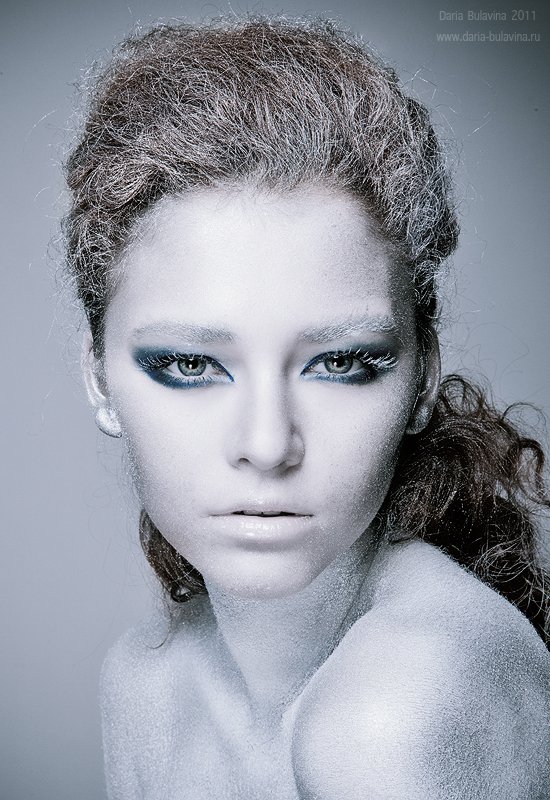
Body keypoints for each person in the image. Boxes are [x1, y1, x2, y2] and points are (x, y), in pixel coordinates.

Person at [65, 16, 550, 799]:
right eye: (191, 364)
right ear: (98, 379)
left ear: (422, 377)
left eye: (340, 363)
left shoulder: (397, 712)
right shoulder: (145, 689)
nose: (267, 444)